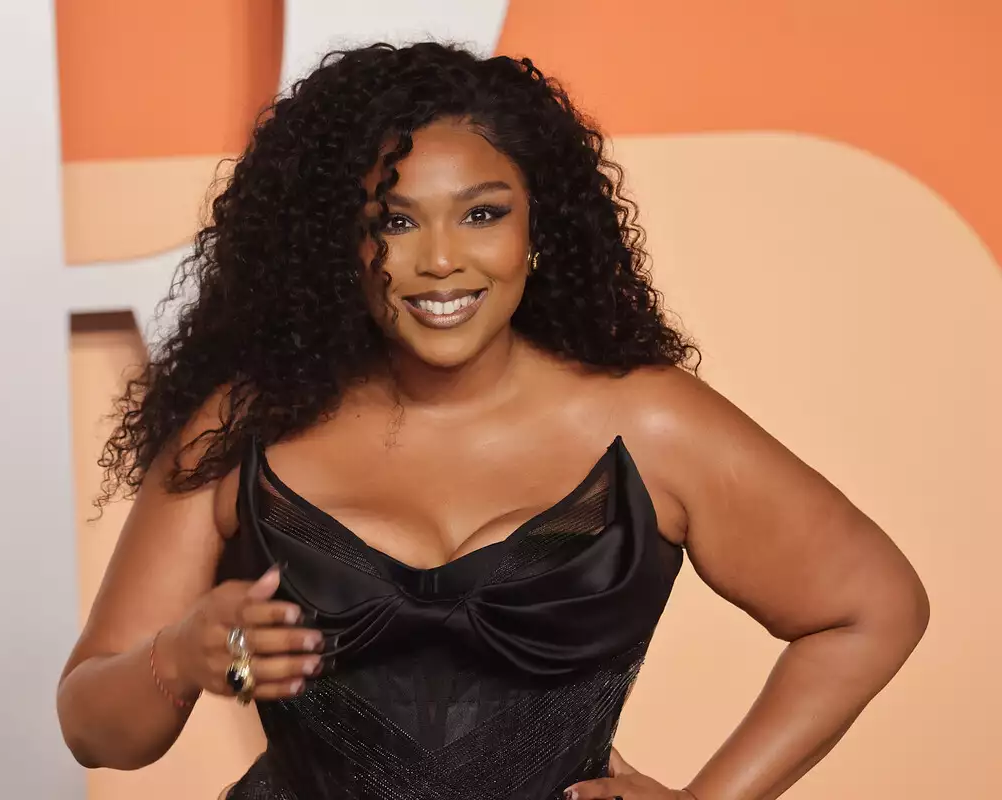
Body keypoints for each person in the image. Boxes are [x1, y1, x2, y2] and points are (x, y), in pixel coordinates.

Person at [55, 42, 929, 800]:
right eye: (395, 222)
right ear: (336, 245)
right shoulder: (244, 429)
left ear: (536, 227)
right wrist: (180, 657)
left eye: (482, 213)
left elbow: (872, 608)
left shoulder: (649, 423)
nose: (440, 260)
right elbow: (93, 731)